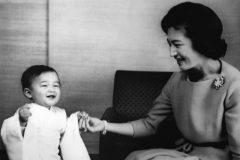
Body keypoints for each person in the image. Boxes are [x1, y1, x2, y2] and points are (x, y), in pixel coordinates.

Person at [80, 2, 240, 160]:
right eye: (169, 45)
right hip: (185, 153)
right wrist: (105, 125)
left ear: (201, 43)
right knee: (136, 158)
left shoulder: (234, 83)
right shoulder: (177, 79)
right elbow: (150, 124)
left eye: (177, 45)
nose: (171, 53)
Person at [1, 65, 90, 160]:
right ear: (29, 93)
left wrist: (77, 120)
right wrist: (21, 120)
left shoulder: (60, 113)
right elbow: (11, 130)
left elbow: (67, 131)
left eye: (56, 85)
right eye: (44, 85)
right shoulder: (27, 111)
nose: (52, 89)